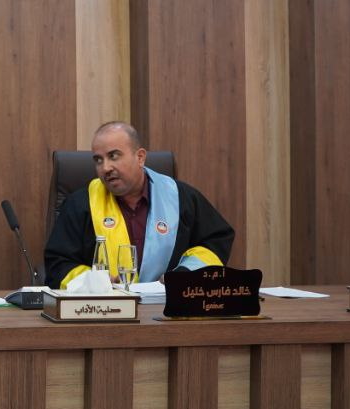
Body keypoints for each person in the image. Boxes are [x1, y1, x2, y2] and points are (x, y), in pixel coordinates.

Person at [44, 121, 234, 288]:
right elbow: (58, 264)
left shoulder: (180, 197)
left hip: (168, 307)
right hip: (105, 310)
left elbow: (216, 241)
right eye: (98, 160)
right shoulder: (80, 204)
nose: (105, 168)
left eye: (114, 156)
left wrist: (185, 274)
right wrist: (95, 282)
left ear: (140, 157)